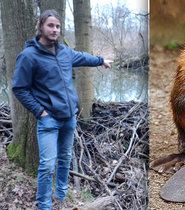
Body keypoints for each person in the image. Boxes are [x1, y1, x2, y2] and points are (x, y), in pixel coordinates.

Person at [12, 9, 112, 210]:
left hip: (69, 117)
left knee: (65, 158)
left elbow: (83, 57)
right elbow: (19, 88)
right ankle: (44, 205)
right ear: (40, 27)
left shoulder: (64, 52)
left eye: (57, 26)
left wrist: (100, 60)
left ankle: (61, 194)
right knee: (48, 165)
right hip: (48, 120)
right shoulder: (29, 56)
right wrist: (40, 112)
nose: (55, 30)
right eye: (50, 25)